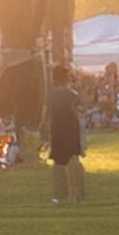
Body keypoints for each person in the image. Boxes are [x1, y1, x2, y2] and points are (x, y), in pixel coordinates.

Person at [46, 65, 86, 205]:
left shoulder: (51, 96)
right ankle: (78, 193)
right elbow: (80, 113)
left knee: (58, 165)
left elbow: (46, 115)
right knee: (74, 163)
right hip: (71, 134)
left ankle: (59, 195)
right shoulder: (72, 95)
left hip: (57, 133)